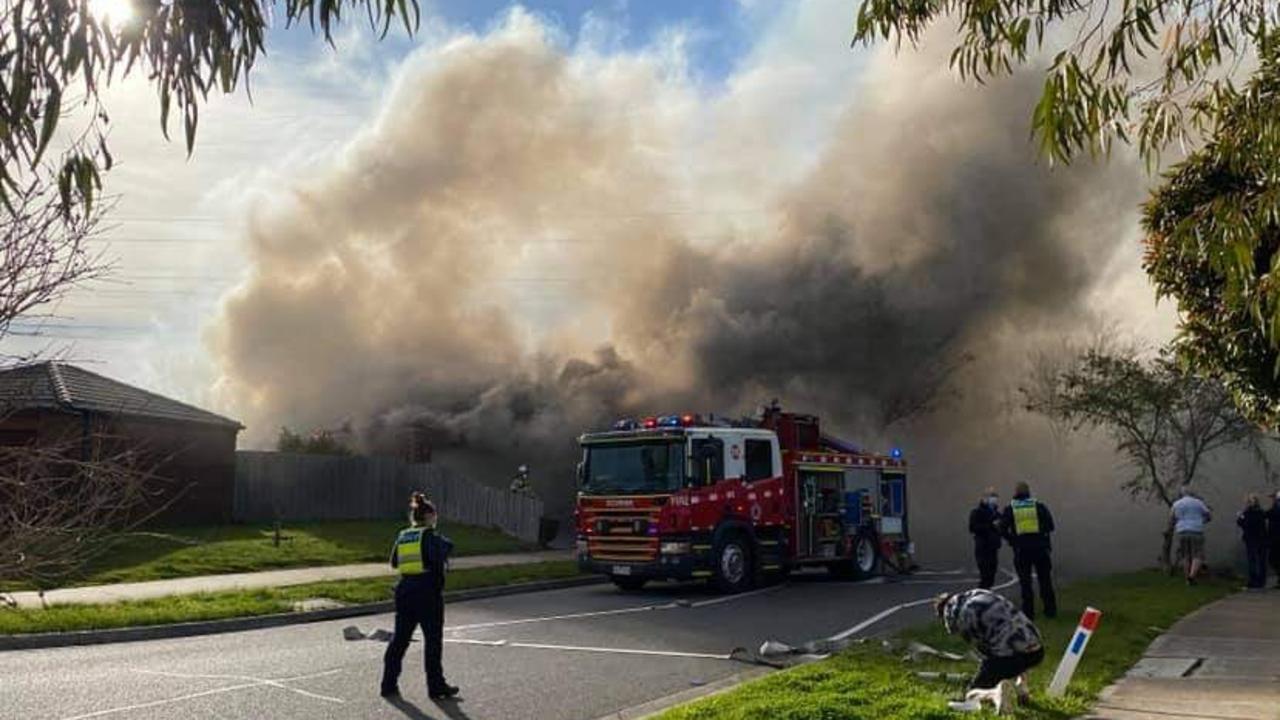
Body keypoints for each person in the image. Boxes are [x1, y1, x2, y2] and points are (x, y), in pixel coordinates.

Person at [381, 492, 459, 701]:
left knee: (400, 639)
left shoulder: (404, 535)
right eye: (434, 515)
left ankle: (388, 684)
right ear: (430, 516)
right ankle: (436, 687)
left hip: (405, 590)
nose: (436, 518)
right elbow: (448, 547)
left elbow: (395, 562)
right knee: (433, 641)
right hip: (427, 592)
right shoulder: (431, 537)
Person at [935, 588, 1044, 714]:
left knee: (972, 693)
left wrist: (980, 678)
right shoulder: (982, 594)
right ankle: (1021, 688)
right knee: (1013, 651)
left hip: (1012, 657)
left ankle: (995, 694)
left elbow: (985, 652)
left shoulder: (962, 614)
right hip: (1037, 650)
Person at [1001, 481, 1057, 620]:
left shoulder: (1011, 509)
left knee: (1025, 583)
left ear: (1016, 493)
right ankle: (1050, 611)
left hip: (1021, 550)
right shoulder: (1039, 506)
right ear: (1029, 493)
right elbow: (1050, 526)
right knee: (1045, 581)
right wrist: (1040, 535)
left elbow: (1001, 528)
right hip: (1040, 549)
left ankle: (1028, 613)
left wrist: (1012, 540)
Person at [1170, 486, 1212, 585]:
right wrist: (1203, 521)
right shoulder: (1198, 502)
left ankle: (1186, 578)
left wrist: (1178, 523)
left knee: (1185, 555)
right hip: (1196, 530)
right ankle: (1191, 576)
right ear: (1192, 493)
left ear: (1182, 493)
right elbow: (1208, 515)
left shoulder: (1177, 504)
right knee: (1197, 555)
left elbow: (1172, 517)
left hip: (1182, 531)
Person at [969, 486, 1003, 589]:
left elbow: (1002, 527)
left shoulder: (997, 513)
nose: (994, 499)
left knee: (991, 575)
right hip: (983, 547)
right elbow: (973, 527)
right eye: (991, 496)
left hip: (993, 547)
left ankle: (986, 596)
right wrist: (990, 525)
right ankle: (980, 596)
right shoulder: (977, 512)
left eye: (995, 496)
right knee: (985, 575)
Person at [1238, 493, 1268, 591]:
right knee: (1261, 560)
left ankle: (1254, 581)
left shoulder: (1248, 513)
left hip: (1251, 539)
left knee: (1253, 560)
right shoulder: (1261, 512)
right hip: (1262, 539)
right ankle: (1261, 581)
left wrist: (1240, 517)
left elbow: (1244, 524)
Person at [1268, 491, 1280, 589]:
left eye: (1273, 498)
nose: (1272, 500)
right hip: (1274, 537)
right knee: (1273, 559)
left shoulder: (1277, 508)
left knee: (1274, 558)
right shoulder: (1275, 508)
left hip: (1276, 538)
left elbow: (1268, 514)